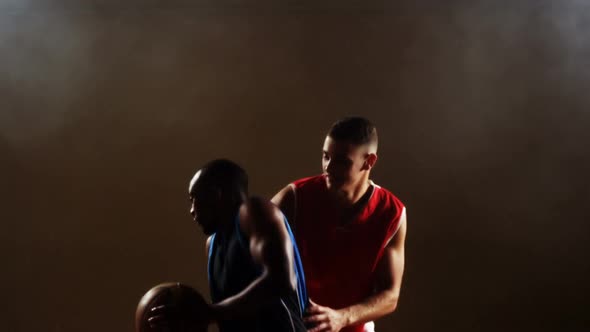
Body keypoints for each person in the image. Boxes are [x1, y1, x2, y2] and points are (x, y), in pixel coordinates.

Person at [272, 117, 407, 332]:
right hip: (295, 325)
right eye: (326, 157)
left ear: (369, 161)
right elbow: (242, 244)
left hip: (354, 327)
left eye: (342, 161)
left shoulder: (392, 213)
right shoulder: (295, 197)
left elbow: (391, 295)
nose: (329, 167)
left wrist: (342, 317)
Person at [150, 159, 308, 332]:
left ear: (215, 194)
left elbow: (281, 280)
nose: (191, 210)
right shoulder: (212, 245)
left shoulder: (254, 212)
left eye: (193, 199)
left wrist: (209, 313)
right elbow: (229, 314)